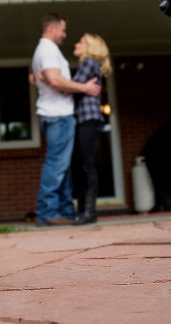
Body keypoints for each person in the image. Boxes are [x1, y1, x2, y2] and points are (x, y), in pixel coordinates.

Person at [32, 13, 101, 226]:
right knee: (56, 165)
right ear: (52, 29)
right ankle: (47, 213)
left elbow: (42, 78)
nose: (65, 34)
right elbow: (54, 79)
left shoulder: (43, 50)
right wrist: (85, 88)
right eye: (62, 29)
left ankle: (64, 210)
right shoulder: (49, 49)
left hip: (55, 114)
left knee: (63, 166)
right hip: (58, 115)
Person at [68, 34, 113, 225]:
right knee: (82, 166)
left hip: (89, 120)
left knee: (86, 166)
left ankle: (89, 212)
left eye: (81, 42)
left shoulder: (88, 63)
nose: (76, 44)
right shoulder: (89, 64)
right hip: (86, 121)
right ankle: (84, 212)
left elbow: (71, 87)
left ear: (90, 48)